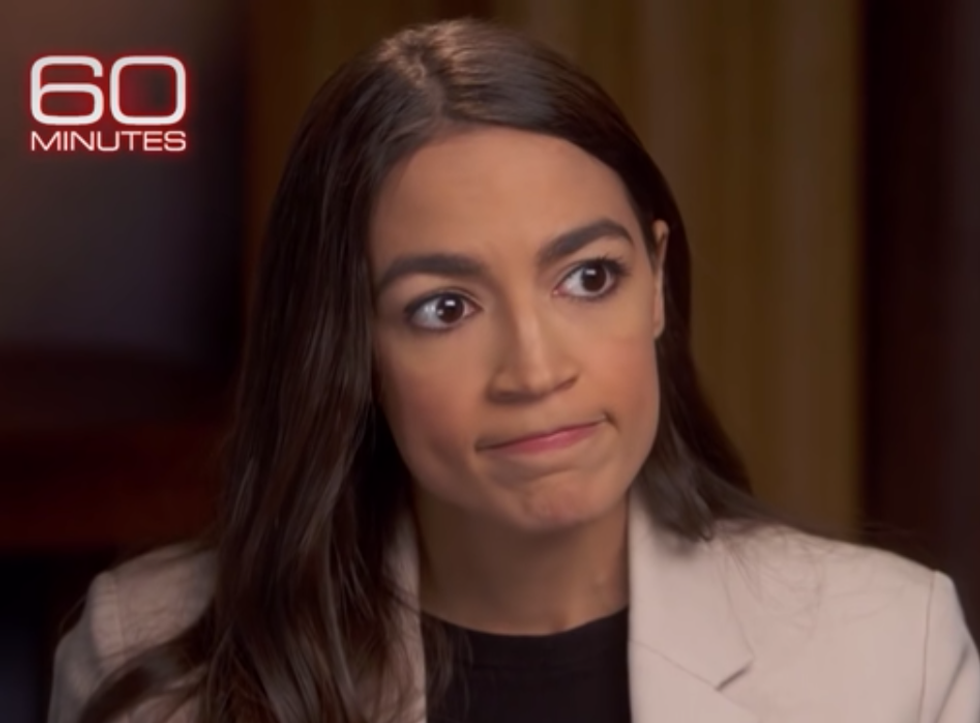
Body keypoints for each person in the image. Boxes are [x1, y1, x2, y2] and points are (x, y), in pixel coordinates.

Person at [48, 17, 979, 723]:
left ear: (657, 282)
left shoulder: (890, 652)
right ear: (349, 349)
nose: (535, 370)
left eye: (589, 277)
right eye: (444, 307)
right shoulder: (154, 655)